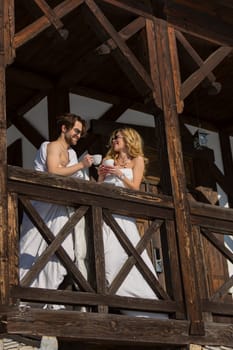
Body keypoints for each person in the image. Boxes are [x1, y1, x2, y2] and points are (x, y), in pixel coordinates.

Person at [19, 113, 94, 298]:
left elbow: (75, 179)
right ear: (64, 128)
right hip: (43, 208)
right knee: (32, 250)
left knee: (64, 253)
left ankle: (45, 294)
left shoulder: (72, 154)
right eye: (76, 131)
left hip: (62, 210)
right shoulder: (50, 146)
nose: (78, 135)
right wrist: (81, 166)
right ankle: (24, 293)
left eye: (80, 133)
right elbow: (53, 171)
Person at [98, 127, 168, 318]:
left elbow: (136, 187)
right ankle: (110, 296)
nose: (114, 140)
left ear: (128, 139)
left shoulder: (137, 161)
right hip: (105, 213)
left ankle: (145, 305)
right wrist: (102, 176)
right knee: (107, 254)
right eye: (113, 137)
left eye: (117, 137)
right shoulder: (107, 160)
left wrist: (119, 173)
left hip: (123, 215)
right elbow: (98, 187)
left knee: (128, 254)